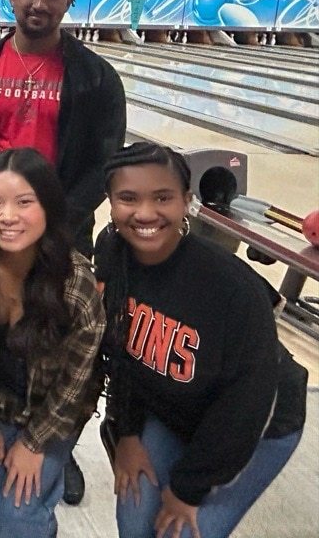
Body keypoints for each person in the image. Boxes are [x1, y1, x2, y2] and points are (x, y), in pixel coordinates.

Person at [0, 0, 125, 502]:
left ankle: (57, 444)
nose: (40, 2)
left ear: (69, 2)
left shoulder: (97, 78)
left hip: (63, 230)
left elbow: (103, 164)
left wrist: (51, 226)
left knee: (61, 346)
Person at [96, 142, 307, 538]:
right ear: (109, 203)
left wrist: (188, 491)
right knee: (135, 518)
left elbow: (246, 405)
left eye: (162, 197)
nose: (144, 213)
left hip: (258, 426)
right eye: (128, 198)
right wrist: (125, 432)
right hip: (174, 408)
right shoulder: (112, 251)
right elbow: (118, 349)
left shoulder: (231, 288)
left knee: (183, 533)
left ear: (186, 202)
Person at [0, 147, 105, 538]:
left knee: (18, 512)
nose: (7, 217)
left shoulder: (74, 282)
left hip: (51, 411)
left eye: (24, 203)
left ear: (48, 208)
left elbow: (76, 384)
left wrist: (34, 444)